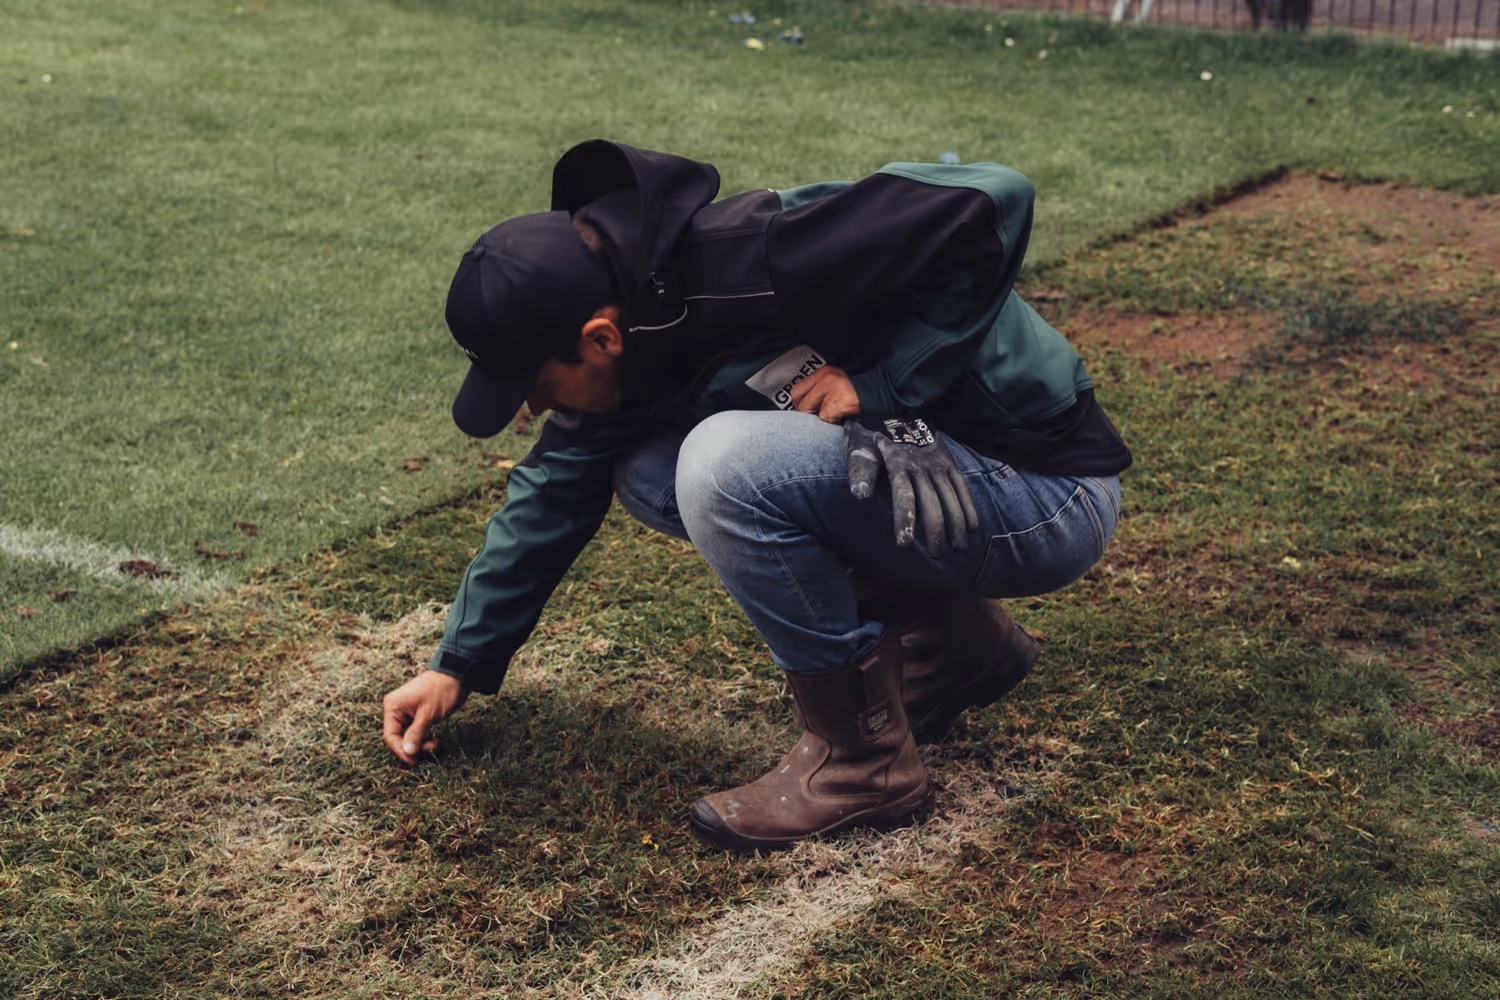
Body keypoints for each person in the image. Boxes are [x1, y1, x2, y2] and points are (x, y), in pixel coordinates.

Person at [382, 139, 1131, 852]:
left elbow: (993, 197)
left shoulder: (762, 253)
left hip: (1043, 489)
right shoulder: (635, 317)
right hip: (941, 490)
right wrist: (458, 662)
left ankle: (863, 764)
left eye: (538, 385)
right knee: (647, 469)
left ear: (601, 337)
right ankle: (959, 642)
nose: (535, 410)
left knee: (720, 463)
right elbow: (552, 489)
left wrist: (884, 385)